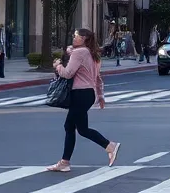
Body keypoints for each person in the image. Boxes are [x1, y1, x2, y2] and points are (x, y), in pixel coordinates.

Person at [46, 28, 120, 173]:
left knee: (80, 129)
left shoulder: (80, 53)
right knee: (73, 127)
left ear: (83, 39)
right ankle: (65, 162)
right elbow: (97, 78)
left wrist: (57, 66)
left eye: (76, 36)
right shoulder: (93, 54)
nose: (74, 38)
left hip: (80, 94)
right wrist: (100, 95)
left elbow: (67, 74)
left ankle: (110, 146)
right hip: (88, 94)